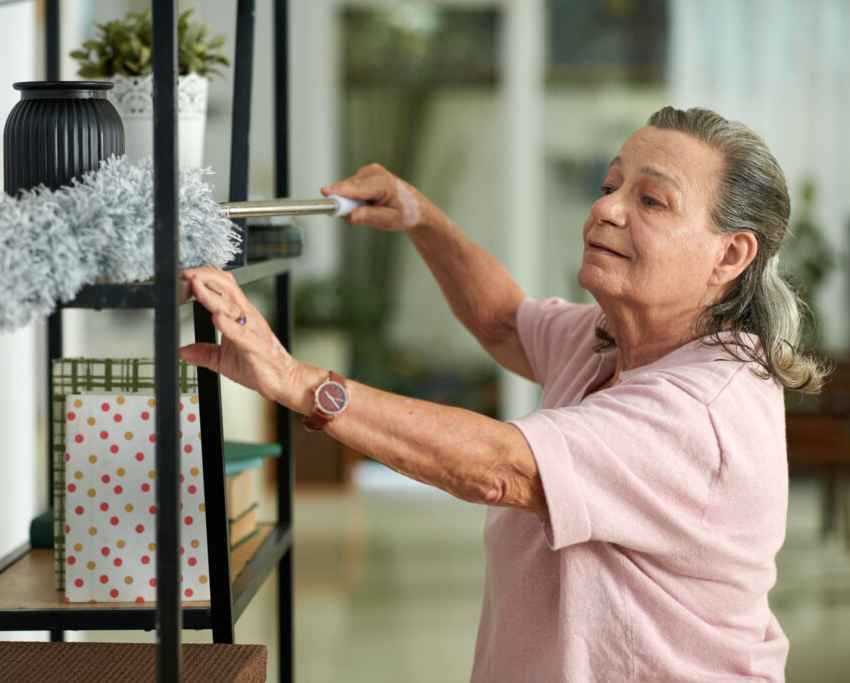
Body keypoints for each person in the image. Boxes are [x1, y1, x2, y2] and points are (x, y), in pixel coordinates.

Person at [180, 106, 827, 681]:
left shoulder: (702, 412)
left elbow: (498, 467)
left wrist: (296, 381)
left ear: (730, 255)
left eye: (652, 201)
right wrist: (421, 216)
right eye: (609, 185)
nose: (606, 208)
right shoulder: (610, 337)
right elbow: (502, 318)